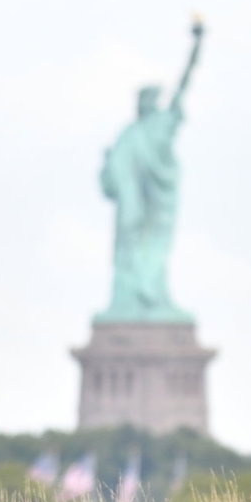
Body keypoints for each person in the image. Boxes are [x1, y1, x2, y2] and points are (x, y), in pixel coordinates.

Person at [96, 21, 203, 322]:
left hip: (157, 207)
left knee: (154, 252)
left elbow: (184, 85)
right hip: (135, 208)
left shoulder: (160, 125)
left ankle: (152, 297)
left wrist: (197, 47)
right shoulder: (129, 135)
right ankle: (132, 301)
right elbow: (110, 181)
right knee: (131, 251)